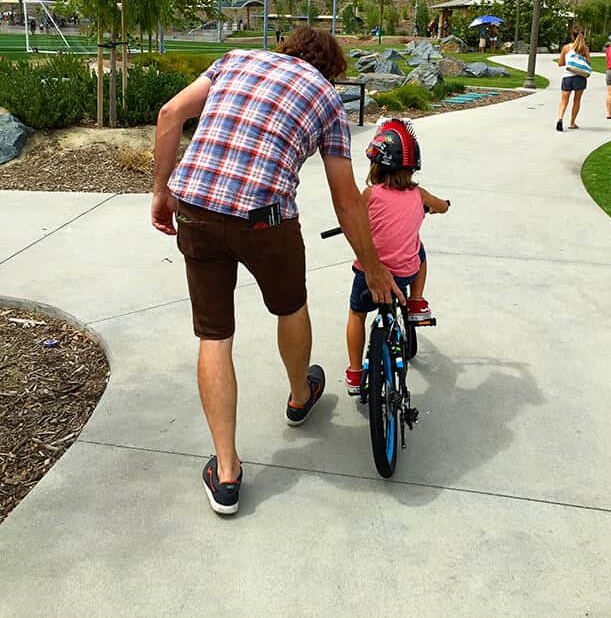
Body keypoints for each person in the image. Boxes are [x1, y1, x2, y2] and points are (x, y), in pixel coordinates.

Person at [151, 26, 401, 515]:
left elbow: (170, 114)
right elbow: (345, 198)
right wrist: (372, 267)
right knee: (291, 307)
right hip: (265, 219)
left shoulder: (235, 60)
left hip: (196, 207)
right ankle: (298, 394)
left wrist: (161, 191)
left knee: (215, 336)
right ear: (331, 68)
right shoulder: (327, 99)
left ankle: (226, 473)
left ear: (287, 48)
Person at [343, 118, 450, 395]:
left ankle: (355, 375)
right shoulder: (419, 195)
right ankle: (415, 302)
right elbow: (442, 207)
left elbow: (354, 217)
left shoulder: (370, 194)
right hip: (404, 272)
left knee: (357, 314)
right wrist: (440, 206)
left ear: (376, 164)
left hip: (370, 274)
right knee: (420, 250)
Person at [556, 29, 591, 131]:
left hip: (567, 76)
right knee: (577, 100)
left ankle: (560, 119)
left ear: (572, 36)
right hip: (580, 77)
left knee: (564, 101)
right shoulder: (584, 48)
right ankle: (572, 123)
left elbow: (560, 63)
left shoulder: (566, 48)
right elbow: (588, 63)